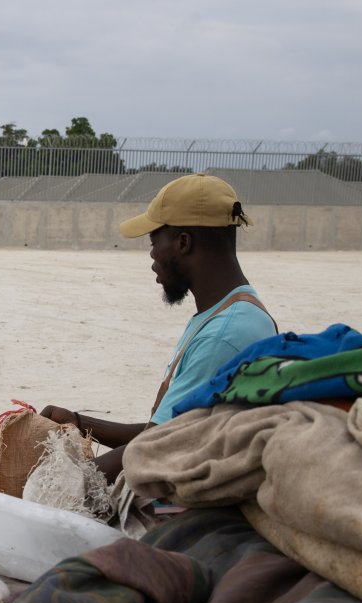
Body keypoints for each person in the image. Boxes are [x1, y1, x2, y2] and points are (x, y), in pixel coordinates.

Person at [41, 173, 277, 482]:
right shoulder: (230, 313)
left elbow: (153, 449)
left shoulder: (224, 335)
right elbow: (167, 429)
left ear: (183, 242)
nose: (152, 256)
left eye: (154, 243)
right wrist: (77, 421)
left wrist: (62, 485)